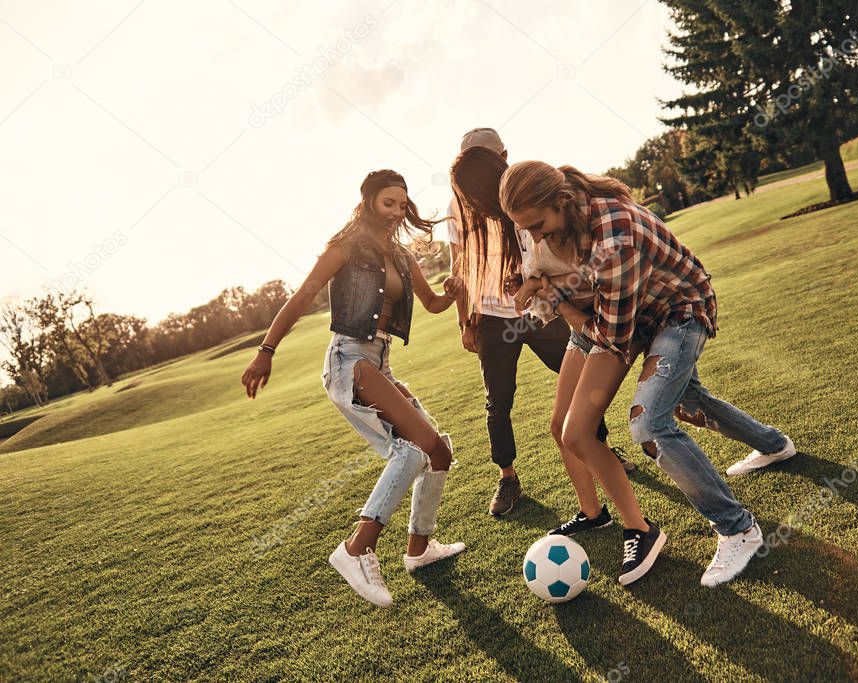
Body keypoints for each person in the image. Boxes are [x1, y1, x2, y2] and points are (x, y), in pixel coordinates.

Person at [499, 160, 794, 587]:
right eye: (526, 229)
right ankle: (774, 445)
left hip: (678, 313)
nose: (535, 237)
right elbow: (584, 292)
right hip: (633, 317)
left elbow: (610, 336)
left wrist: (555, 301)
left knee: (649, 423)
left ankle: (738, 528)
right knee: (688, 404)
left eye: (538, 225)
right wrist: (542, 291)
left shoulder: (613, 237)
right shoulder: (570, 221)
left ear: (561, 201)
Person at [240, 170, 466, 608]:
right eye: (388, 203)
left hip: (379, 362)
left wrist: (452, 291)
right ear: (367, 202)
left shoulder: (401, 256)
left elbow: (433, 303)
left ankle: (419, 551)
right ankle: (356, 549)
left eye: (403, 204)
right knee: (413, 449)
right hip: (349, 361)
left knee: (438, 451)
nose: (397, 212)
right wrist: (265, 350)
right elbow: (301, 298)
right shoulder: (342, 249)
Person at [447, 128, 633, 518]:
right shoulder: (460, 208)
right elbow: (460, 264)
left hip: (542, 310)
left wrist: (539, 287)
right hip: (494, 317)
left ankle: (597, 448)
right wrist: (465, 320)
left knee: (582, 385)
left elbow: (564, 258)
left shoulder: (526, 195)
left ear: (502, 157)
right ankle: (508, 477)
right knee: (498, 401)